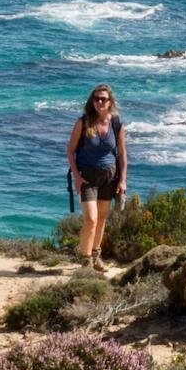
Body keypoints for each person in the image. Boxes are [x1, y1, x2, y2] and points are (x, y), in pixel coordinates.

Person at [66, 84, 127, 272]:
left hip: (109, 177)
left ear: (110, 102)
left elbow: (122, 154)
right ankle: (86, 262)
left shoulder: (116, 124)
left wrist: (122, 180)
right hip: (87, 178)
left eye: (103, 99)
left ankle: (96, 256)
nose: (99, 102)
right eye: (96, 98)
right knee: (91, 219)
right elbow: (70, 151)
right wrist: (76, 177)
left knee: (101, 219)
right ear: (92, 101)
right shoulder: (83, 122)